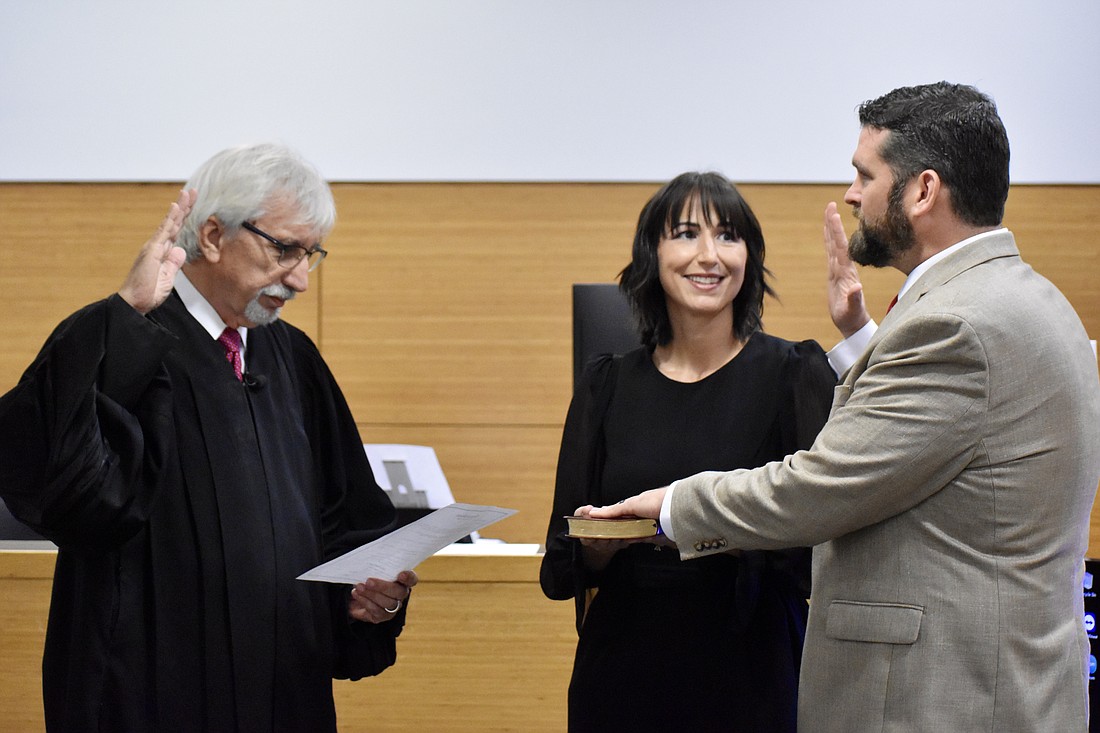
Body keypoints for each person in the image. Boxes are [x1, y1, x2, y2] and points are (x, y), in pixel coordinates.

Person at [588, 82, 1100, 731]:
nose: (852, 193)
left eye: (865, 175)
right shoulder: (1029, 300)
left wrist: (673, 506)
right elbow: (938, 437)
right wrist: (861, 333)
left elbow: (824, 486)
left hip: (942, 699)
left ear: (922, 190)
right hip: (1005, 686)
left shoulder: (955, 326)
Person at [0, 143, 419, 733]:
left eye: (311, 254)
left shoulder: (292, 358)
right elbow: (49, 481)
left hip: (281, 693)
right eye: (284, 249)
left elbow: (345, 518)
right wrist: (124, 318)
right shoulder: (126, 337)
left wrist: (366, 597)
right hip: (146, 690)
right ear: (215, 235)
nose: (300, 278)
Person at [541, 172, 837, 732]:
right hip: (625, 671)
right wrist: (598, 545)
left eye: (728, 236)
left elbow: (818, 554)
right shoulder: (606, 384)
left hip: (750, 668)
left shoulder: (794, 374)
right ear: (652, 254)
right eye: (684, 234)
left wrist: (700, 529)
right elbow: (560, 564)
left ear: (749, 256)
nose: (709, 255)